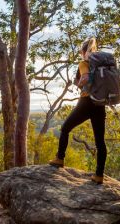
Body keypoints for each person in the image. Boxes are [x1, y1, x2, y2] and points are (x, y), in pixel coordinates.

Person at [49, 37, 107, 184]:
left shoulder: (83, 63)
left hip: (86, 102)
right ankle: (99, 175)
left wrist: (80, 84)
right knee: (100, 142)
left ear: (83, 51)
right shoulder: (100, 64)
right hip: (100, 104)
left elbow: (85, 78)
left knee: (65, 128)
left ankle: (59, 158)